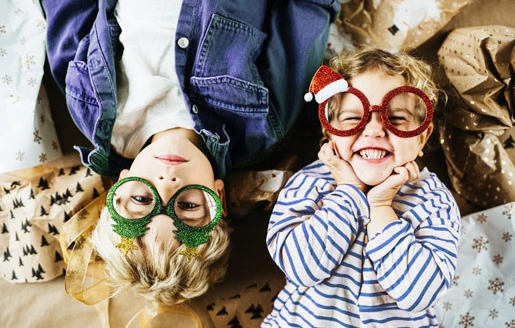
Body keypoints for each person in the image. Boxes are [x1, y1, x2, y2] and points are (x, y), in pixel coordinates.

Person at [41, 0, 340, 311]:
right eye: (187, 206)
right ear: (219, 198)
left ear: (121, 184)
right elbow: (307, 12)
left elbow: (69, 11)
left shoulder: (90, 106)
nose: (167, 184)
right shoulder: (262, 124)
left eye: (142, 201)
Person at [263, 47, 461, 327]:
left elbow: (420, 294)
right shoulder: (309, 184)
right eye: (353, 118)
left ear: (421, 138)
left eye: (397, 118)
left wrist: (381, 207)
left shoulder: (432, 200)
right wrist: (348, 193)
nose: (374, 129)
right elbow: (301, 269)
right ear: (330, 133)